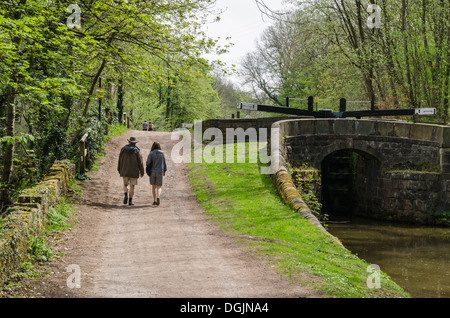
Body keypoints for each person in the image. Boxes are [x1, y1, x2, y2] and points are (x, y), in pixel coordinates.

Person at [117, 136, 144, 206]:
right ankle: (130, 201)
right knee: (132, 186)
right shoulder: (137, 151)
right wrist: (142, 171)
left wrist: (119, 168)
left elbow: (120, 160)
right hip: (134, 171)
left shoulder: (123, 149)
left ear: (129, 142)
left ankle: (125, 194)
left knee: (125, 185)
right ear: (135, 143)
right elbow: (140, 162)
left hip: (125, 170)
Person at [146, 141, 167, 206]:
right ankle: (158, 197)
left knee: (153, 187)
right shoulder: (162, 153)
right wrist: (164, 170)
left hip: (152, 172)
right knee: (159, 187)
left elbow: (148, 163)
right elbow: (164, 163)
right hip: (159, 172)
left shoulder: (151, 153)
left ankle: (154, 200)